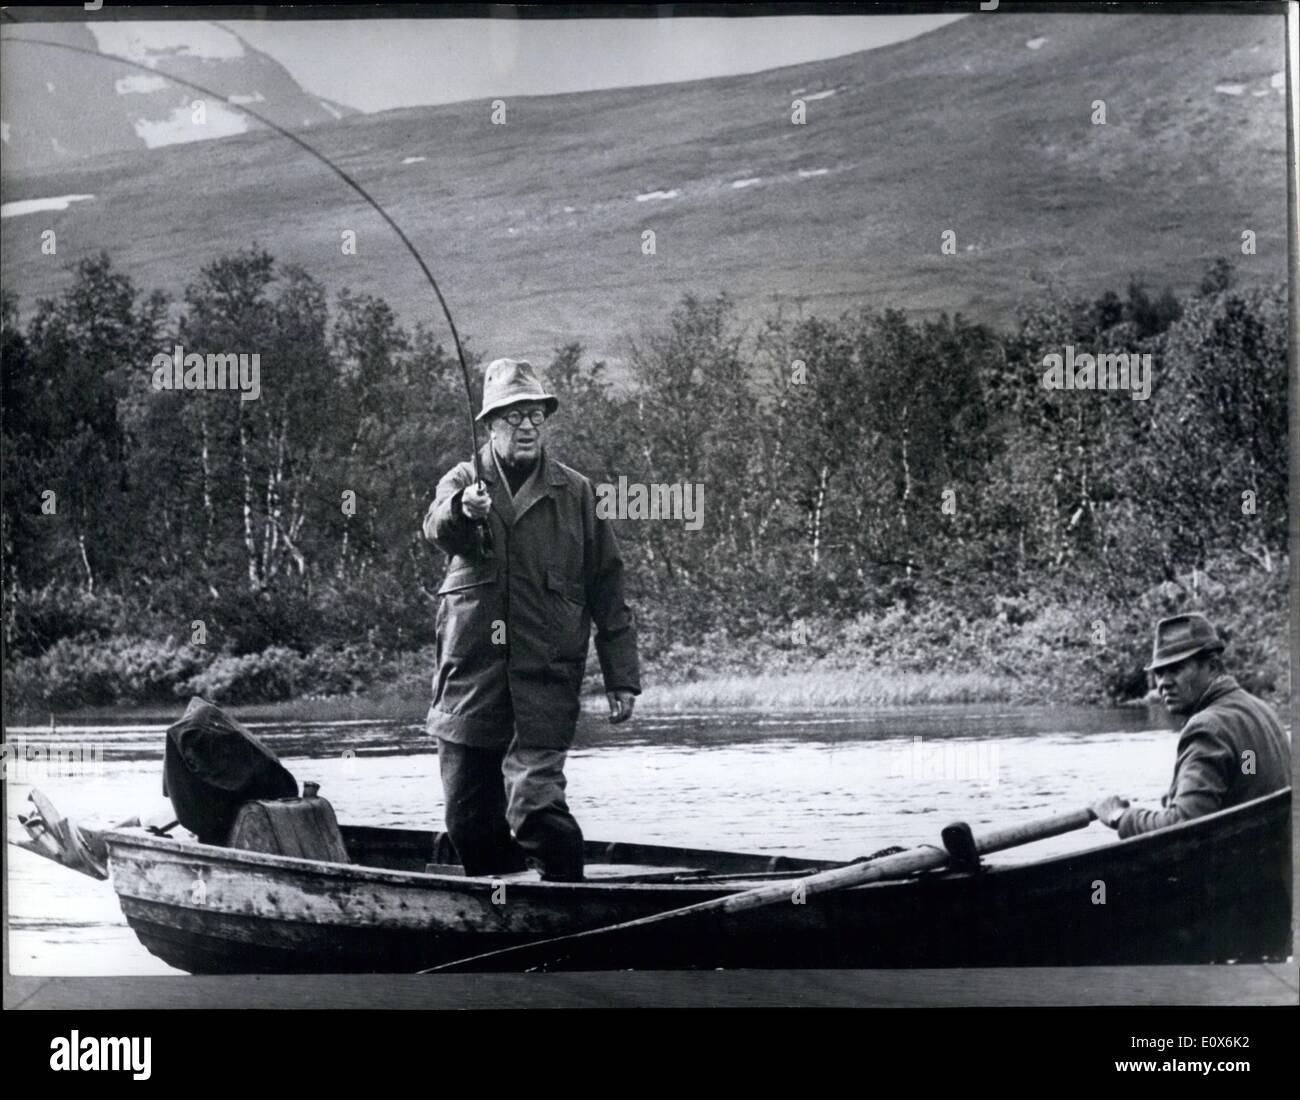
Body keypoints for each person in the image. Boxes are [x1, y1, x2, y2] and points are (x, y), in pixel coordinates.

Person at [423, 357, 640, 880]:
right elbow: (436, 527)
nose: (526, 427)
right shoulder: (462, 481)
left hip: (546, 681)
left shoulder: (578, 493)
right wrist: (462, 509)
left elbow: (608, 588)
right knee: (470, 821)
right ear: (491, 424)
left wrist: (621, 678)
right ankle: (497, 921)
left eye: (535, 416)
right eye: (513, 416)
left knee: (536, 809)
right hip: (470, 682)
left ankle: (572, 911)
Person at [1090, 613, 1290, 838]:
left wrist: (1120, 816)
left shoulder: (1207, 728)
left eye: (1175, 669)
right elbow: (1246, 777)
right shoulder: (1261, 710)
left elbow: (1182, 826)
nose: (1164, 683)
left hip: (1236, 864)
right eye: (1159, 673)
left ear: (1212, 667)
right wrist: (1183, 794)